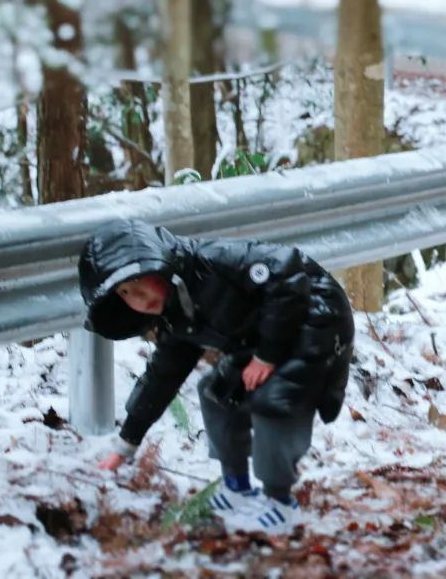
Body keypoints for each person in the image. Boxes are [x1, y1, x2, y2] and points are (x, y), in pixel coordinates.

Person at [78, 218, 354, 534]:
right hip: (260, 335)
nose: (138, 297)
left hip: (314, 316)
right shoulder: (176, 314)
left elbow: (286, 271)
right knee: (216, 392)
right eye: (124, 292)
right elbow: (162, 377)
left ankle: (280, 502)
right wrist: (126, 443)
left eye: (140, 280)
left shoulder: (213, 261)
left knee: (274, 401)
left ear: (159, 262)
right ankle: (236, 488)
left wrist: (268, 355)